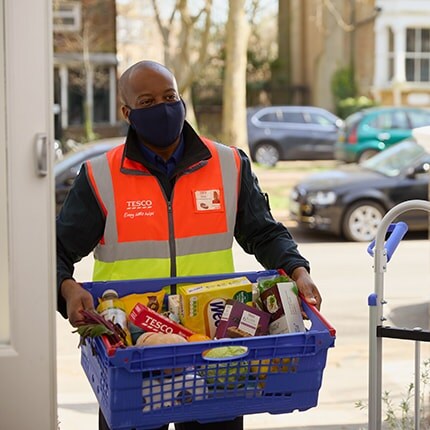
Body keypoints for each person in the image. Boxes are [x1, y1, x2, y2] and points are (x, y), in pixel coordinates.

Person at [56, 60, 322, 430]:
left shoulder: (228, 164)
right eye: (147, 101)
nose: (163, 108)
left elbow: (264, 232)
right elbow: (55, 252)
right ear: (127, 112)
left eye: (170, 97)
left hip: (213, 346)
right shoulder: (100, 176)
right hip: (133, 349)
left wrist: (297, 269)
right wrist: (66, 288)